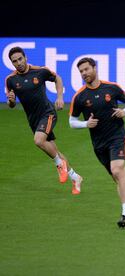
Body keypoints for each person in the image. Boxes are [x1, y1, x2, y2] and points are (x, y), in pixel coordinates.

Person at [69, 57, 125, 228]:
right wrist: (85, 124)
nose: (84, 73)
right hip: (99, 144)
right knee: (118, 176)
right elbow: (71, 121)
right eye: (81, 71)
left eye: (87, 69)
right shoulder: (80, 97)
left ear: (94, 68)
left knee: (117, 171)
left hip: (117, 136)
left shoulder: (111, 87)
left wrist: (124, 112)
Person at [5, 46, 83, 195]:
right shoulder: (11, 80)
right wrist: (11, 101)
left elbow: (57, 78)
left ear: (25, 57)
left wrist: (60, 97)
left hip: (47, 114)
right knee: (54, 150)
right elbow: (11, 104)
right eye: (14, 61)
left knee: (39, 140)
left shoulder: (40, 71)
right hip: (33, 120)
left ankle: (59, 165)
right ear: (12, 63)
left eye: (20, 59)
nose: (18, 63)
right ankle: (75, 177)